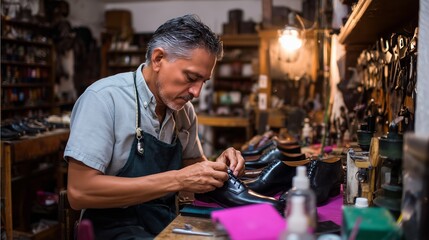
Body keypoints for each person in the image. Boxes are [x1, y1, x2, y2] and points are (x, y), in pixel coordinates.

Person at [64, 14, 245, 239]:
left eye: (203, 82)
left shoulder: (183, 111)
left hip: (162, 222)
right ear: (158, 58)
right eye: (190, 77)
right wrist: (178, 179)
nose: (196, 92)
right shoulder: (103, 99)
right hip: (110, 229)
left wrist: (218, 168)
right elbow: (79, 191)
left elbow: (194, 170)